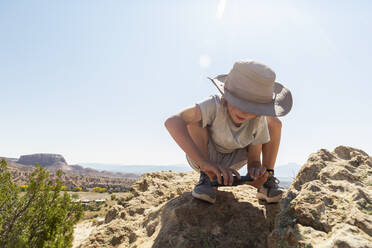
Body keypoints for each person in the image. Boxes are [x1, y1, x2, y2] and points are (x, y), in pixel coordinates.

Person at [165, 60, 293, 204]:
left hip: (234, 161)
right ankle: (206, 178)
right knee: (195, 120)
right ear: (226, 95)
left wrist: (256, 173)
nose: (244, 111)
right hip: (204, 156)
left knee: (274, 123)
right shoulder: (213, 105)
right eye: (239, 103)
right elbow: (172, 122)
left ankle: (267, 182)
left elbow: (254, 160)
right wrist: (204, 163)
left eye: (252, 108)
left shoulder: (257, 119)